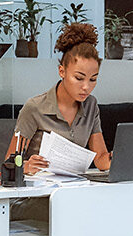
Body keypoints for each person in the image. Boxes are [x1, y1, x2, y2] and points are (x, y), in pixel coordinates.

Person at [7, 22, 111, 174]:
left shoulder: (90, 105)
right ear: (62, 71)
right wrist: (26, 166)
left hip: (73, 185)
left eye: (93, 79)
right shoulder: (35, 107)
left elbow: (101, 160)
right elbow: (9, 164)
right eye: (79, 78)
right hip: (38, 186)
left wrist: (117, 157)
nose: (86, 87)